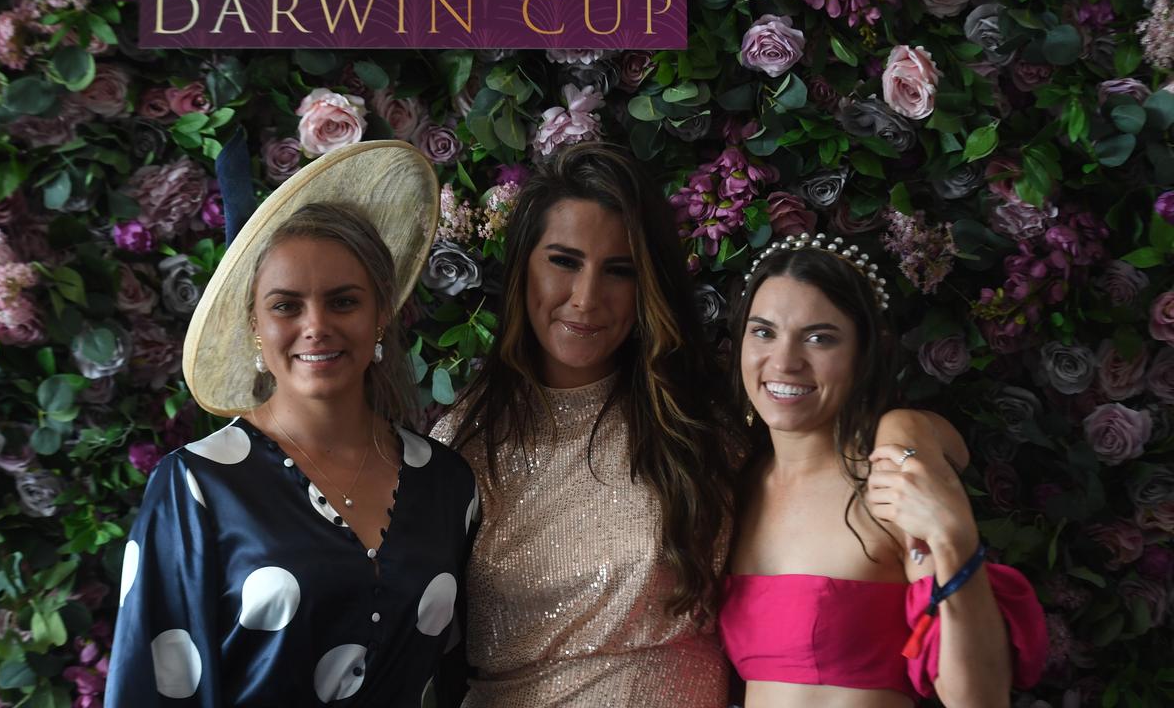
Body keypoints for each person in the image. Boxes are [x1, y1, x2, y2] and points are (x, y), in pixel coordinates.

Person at [430, 143, 967, 706]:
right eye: (563, 261)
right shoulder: (460, 443)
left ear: (648, 288)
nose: (586, 298)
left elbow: (889, 444)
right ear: (522, 268)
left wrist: (906, 431)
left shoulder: (703, 419)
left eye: (620, 271)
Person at [105, 141, 476, 707]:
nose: (316, 326)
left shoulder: (448, 484)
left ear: (380, 313)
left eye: (344, 301)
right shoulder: (197, 488)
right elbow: (147, 691)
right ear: (255, 323)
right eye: (286, 305)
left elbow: (456, 679)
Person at [719, 233, 1047, 707]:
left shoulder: (889, 476)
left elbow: (980, 699)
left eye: (819, 338)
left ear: (864, 354)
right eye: (764, 331)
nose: (785, 361)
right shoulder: (738, 485)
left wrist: (953, 540)